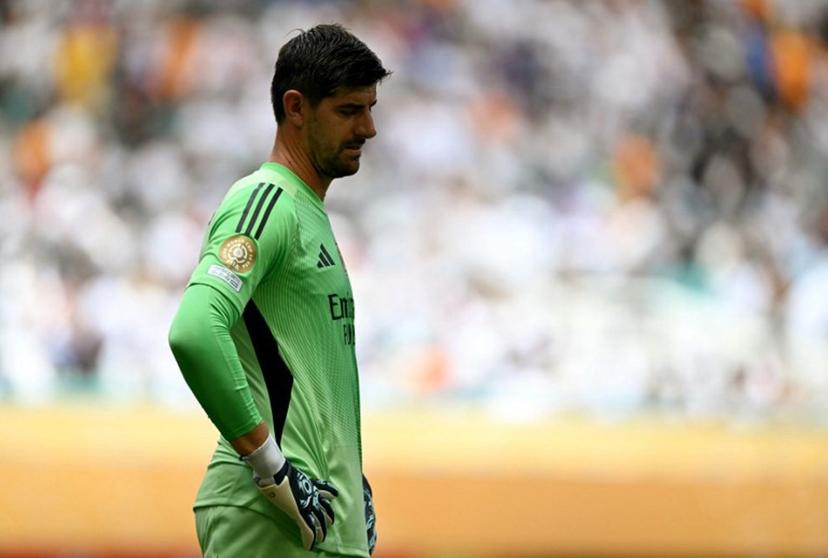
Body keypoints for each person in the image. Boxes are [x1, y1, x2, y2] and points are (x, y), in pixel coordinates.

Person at [168, 24, 389, 557]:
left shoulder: (308, 215)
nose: (369, 128)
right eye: (348, 110)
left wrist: (351, 484)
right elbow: (195, 331)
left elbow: (306, 374)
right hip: (272, 515)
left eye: (370, 107)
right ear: (296, 107)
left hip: (319, 518)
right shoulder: (267, 200)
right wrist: (273, 469)